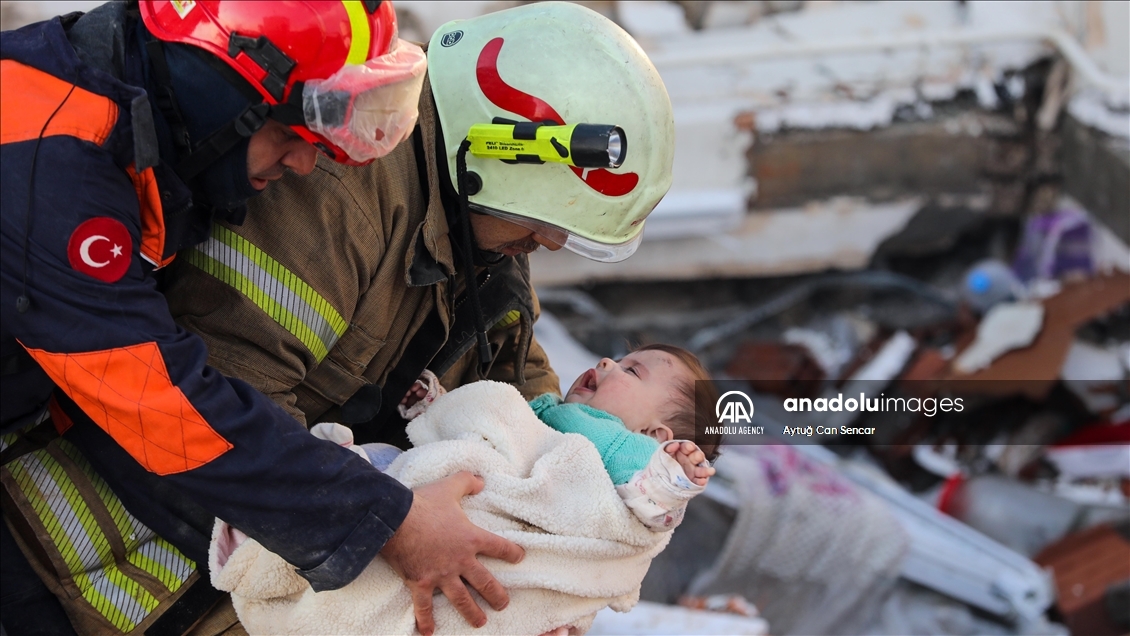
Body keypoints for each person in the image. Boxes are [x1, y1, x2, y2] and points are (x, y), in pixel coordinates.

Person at [0, 2, 522, 635]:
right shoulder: (52, 168)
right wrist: (388, 520)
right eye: (287, 131)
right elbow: (162, 407)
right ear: (214, 90)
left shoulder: (130, 114)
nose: (304, 164)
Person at [162, 2, 675, 633]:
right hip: (143, 575)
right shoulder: (342, 192)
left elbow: (517, 384)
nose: (549, 245)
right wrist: (393, 521)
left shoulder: (479, 221)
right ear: (499, 151)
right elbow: (225, 398)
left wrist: (557, 554)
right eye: (545, 225)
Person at [207, 345, 722, 634]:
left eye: (631, 370)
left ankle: (273, 545)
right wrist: (442, 405)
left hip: (499, 527)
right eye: (617, 356)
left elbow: (651, 505)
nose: (608, 363)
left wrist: (674, 477)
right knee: (390, 471)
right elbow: (494, 428)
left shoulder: (622, 449)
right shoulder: (552, 417)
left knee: (386, 476)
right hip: (467, 498)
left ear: (656, 436)